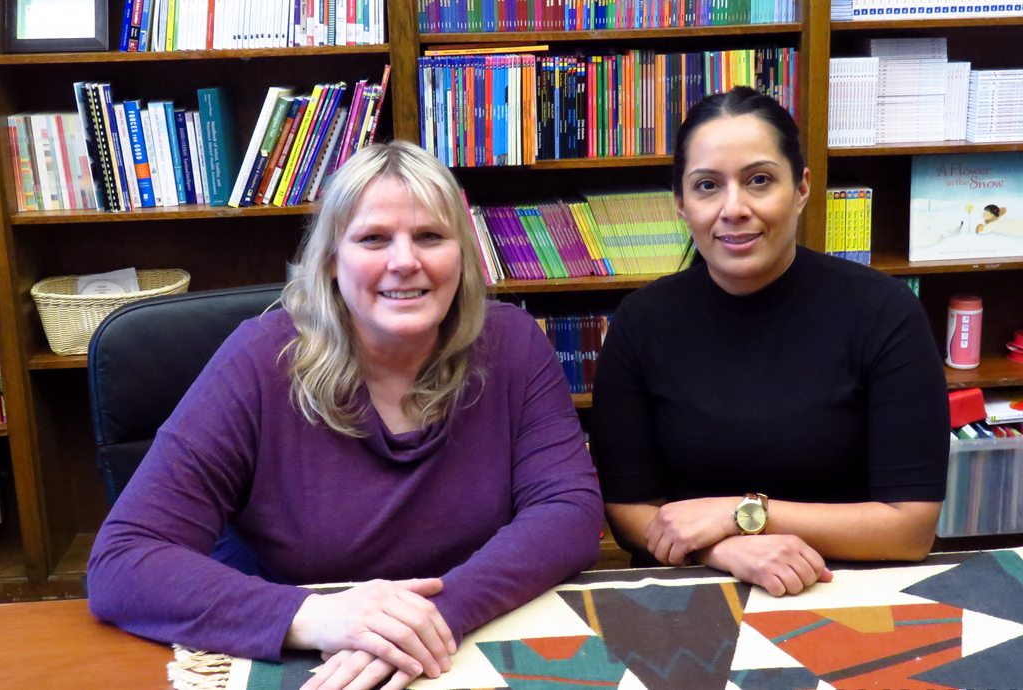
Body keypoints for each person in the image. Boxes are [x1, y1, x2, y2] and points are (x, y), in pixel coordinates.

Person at [88, 141, 603, 690]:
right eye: (373, 238)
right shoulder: (260, 361)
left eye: (431, 236)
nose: (405, 261)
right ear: (332, 260)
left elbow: (569, 511)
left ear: (464, 255)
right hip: (302, 656)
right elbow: (123, 561)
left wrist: (435, 616)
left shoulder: (512, 343)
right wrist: (315, 616)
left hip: (458, 647)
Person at [590, 87, 950, 598]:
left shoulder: (884, 312)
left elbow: (911, 528)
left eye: (759, 180)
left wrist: (741, 513)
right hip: (692, 584)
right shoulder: (641, 322)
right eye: (708, 186)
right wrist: (725, 549)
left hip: (849, 586)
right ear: (681, 203)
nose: (733, 208)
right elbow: (628, 510)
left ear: (801, 188)